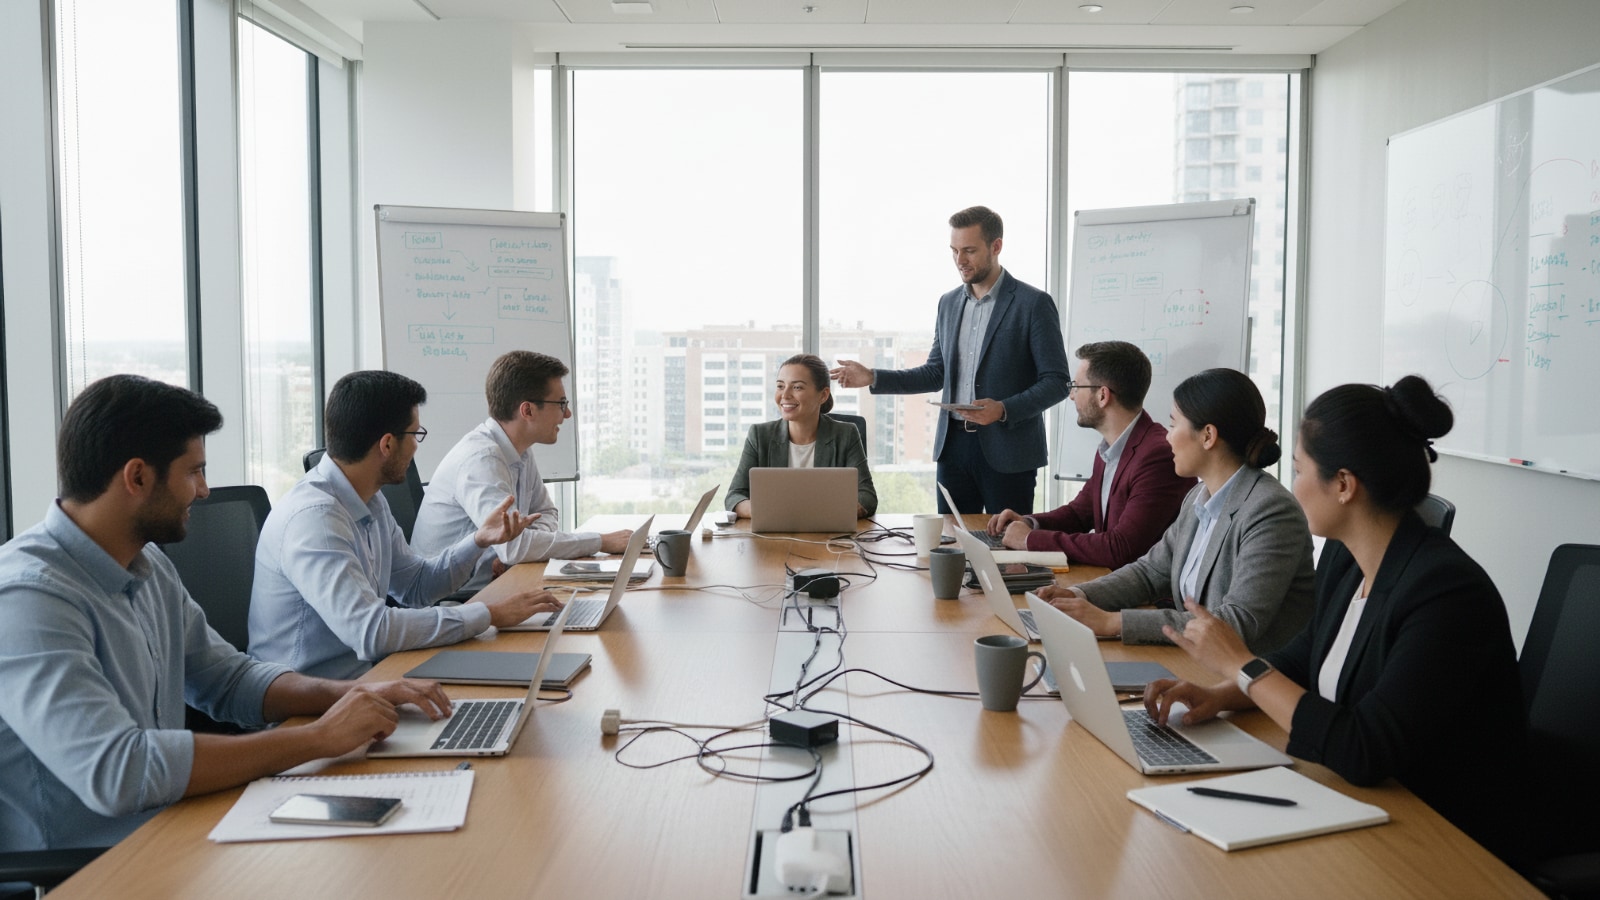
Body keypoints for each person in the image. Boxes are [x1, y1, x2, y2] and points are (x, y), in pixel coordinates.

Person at [0, 375, 457, 854]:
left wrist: (357, 694)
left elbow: (229, 680)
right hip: (91, 867)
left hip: (179, 823)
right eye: (194, 472)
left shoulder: (148, 564)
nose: (203, 491)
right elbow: (121, 772)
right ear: (137, 478)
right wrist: (318, 738)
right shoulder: (28, 598)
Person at [1144, 375, 1528, 865]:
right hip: (1364, 806)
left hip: (1445, 841)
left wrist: (1242, 665)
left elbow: (1364, 749)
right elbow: (1306, 657)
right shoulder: (1348, 558)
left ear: (1344, 485)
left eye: (1299, 469)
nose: (1293, 485)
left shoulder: (1447, 593)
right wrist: (1222, 694)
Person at [250, 370, 562, 680]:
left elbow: (415, 586)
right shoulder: (315, 520)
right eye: (415, 435)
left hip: (367, 679)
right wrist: (487, 614)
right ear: (387, 444)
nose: (416, 447)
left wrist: (478, 541)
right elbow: (370, 631)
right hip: (315, 698)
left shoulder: (370, 500)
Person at [1036, 368, 1314, 653]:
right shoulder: (1197, 498)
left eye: (1173, 425)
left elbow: (1235, 622)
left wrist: (1113, 622)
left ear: (1208, 436)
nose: (1167, 437)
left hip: (1246, 673)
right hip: (1195, 660)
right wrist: (1078, 594)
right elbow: (1149, 572)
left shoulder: (1270, 511)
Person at [831, 206, 1069, 514]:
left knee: (1007, 543)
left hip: (1009, 451)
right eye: (954, 251)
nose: (960, 260)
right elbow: (935, 373)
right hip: (953, 449)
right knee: (951, 539)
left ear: (996, 246)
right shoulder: (948, 303)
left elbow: (1057, 382)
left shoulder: (1033, 303)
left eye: (969, 250)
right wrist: (873, 377)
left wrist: (1002, 409)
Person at [412, 351, 631, 592]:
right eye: (561, 404)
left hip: (497, 583)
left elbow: (545, 513)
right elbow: (514, 548)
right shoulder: (482, 459)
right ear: (527, 411)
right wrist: (601, 541)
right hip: (457, 598)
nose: (567, 413)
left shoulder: (520, 450)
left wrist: (520, 548)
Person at [985, 341, 1195, 568]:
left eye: (1076, 387)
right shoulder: (1111, 447)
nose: (1071, 396)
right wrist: (1029, 522)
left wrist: (1029, 540)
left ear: (1103, 395)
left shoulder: (1157, 457)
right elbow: (1079, 514)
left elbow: (1121, 548)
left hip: (1141, 587)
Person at [726, 353, 877, 519]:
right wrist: (766, 511)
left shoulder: (846, 434)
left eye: (797, 387)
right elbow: (734, 496)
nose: (785, 395)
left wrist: (822, 513)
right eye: (780, 386)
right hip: (773, 531)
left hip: (828, 532)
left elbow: (867, 496)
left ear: (823, 395)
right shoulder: (760, 435)